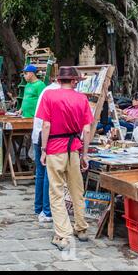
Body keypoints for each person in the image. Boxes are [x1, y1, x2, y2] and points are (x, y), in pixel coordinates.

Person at [36, 66, 93, 251]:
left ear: (59, 80)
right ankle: (81, 227)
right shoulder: (82, 98)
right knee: (77, 189)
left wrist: (44, 150)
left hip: (55, 148)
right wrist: (85, 154)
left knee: (56, 191)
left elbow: (46, 125)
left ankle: (63, 234)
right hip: (74, 149)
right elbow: (86, 129)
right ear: (74, 80)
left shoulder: (49, 96)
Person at [31, 77, 61, 223]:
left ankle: (39, 207)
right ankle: (47, 210)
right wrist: (44, 147)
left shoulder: (46, 89)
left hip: (38, 134)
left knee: (41, 173)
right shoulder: (55, 92)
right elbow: (47, 123)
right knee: (48, 173)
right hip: (46, 136)